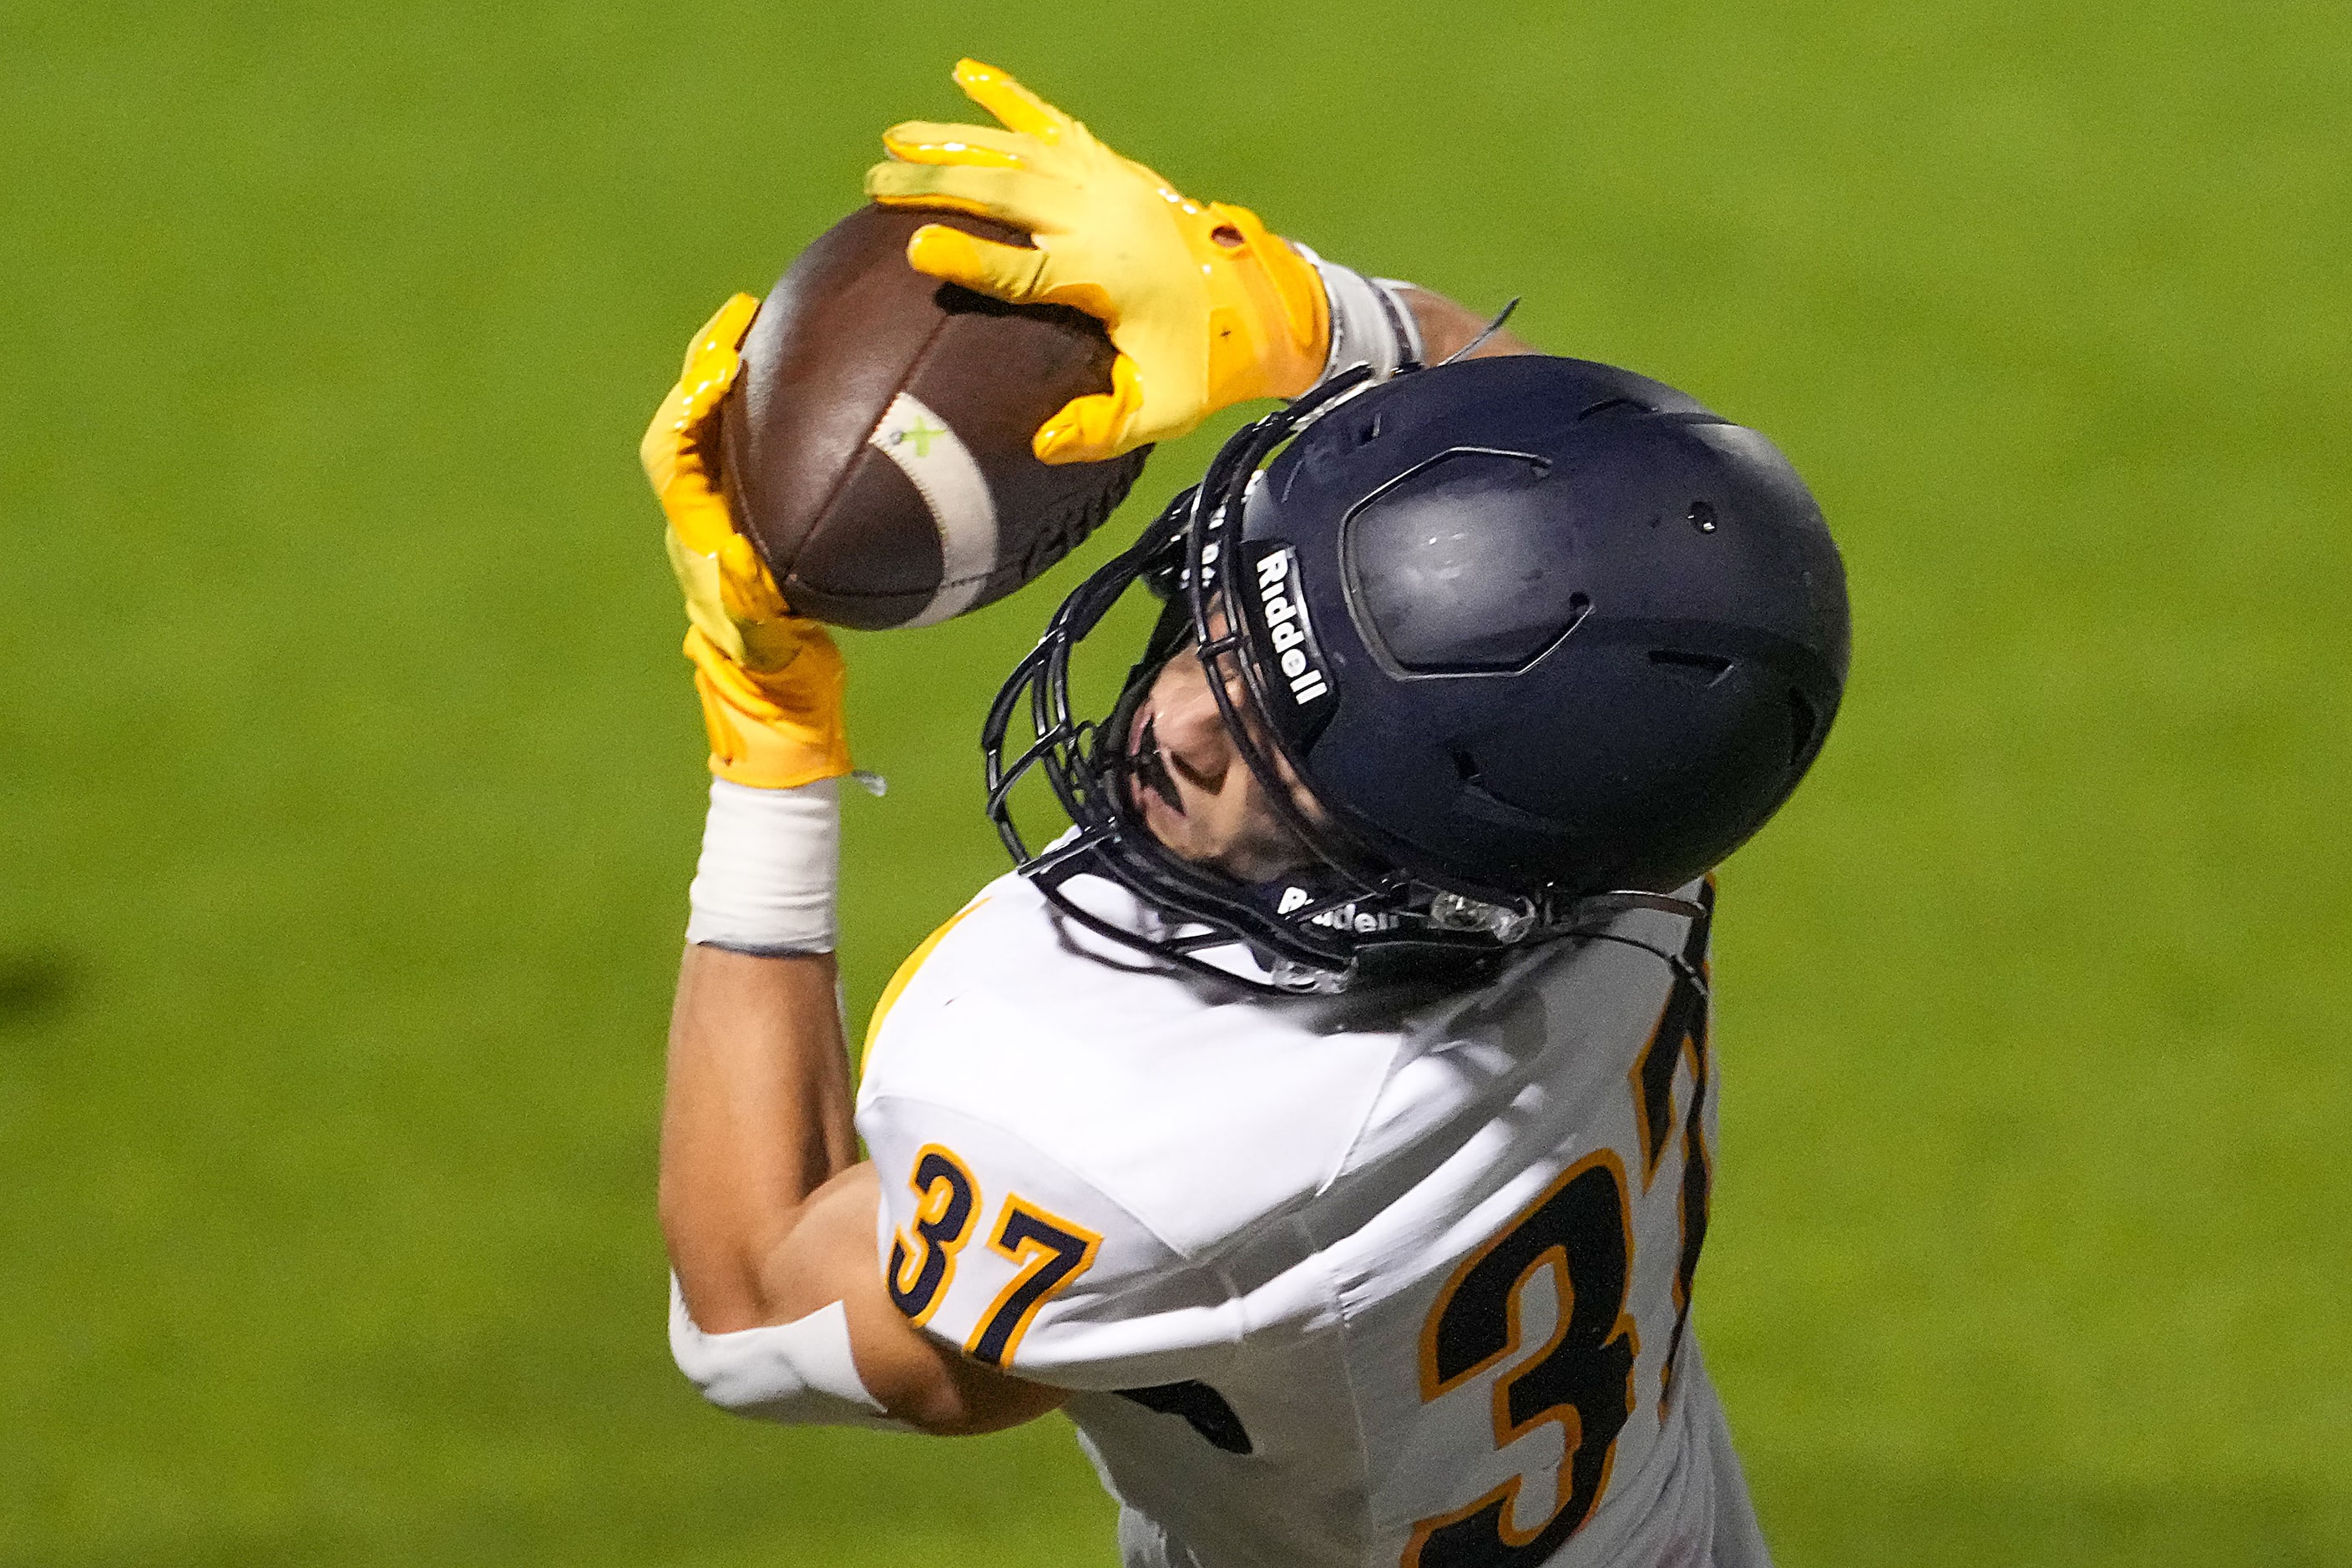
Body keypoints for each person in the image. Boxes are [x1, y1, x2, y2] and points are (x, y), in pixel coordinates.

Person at [647, 60, 1849, 1568]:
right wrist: (1284, 305)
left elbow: (750, 1309)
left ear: (1431, 883)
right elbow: (1579, 467)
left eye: (1287, 762)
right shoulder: (1614, 777)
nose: (1178, 720)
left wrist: (766, 741)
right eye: (1225, 629)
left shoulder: (1147, 1138)